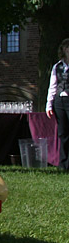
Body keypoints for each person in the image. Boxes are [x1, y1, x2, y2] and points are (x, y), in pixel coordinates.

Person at [45, 37, 69, 171]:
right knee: (63, 132)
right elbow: (52, 86)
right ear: (63, 50)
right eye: (67, 48)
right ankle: (64, 165)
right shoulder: (57, 66)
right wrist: (49, 105)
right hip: (60, 102)